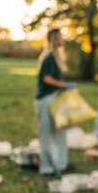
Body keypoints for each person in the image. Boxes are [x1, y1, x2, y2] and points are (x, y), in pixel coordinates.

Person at [35, 28, 77, 175]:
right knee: (47, 133)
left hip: (54, 98)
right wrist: (65, 85)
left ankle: (59, 164)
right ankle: (47, 167)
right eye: (60, 37)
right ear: (54, 39)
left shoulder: (55, 57)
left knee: (58, 131)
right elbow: (46, 78)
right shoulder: (49, 57)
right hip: (45, 99)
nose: (62, 40)